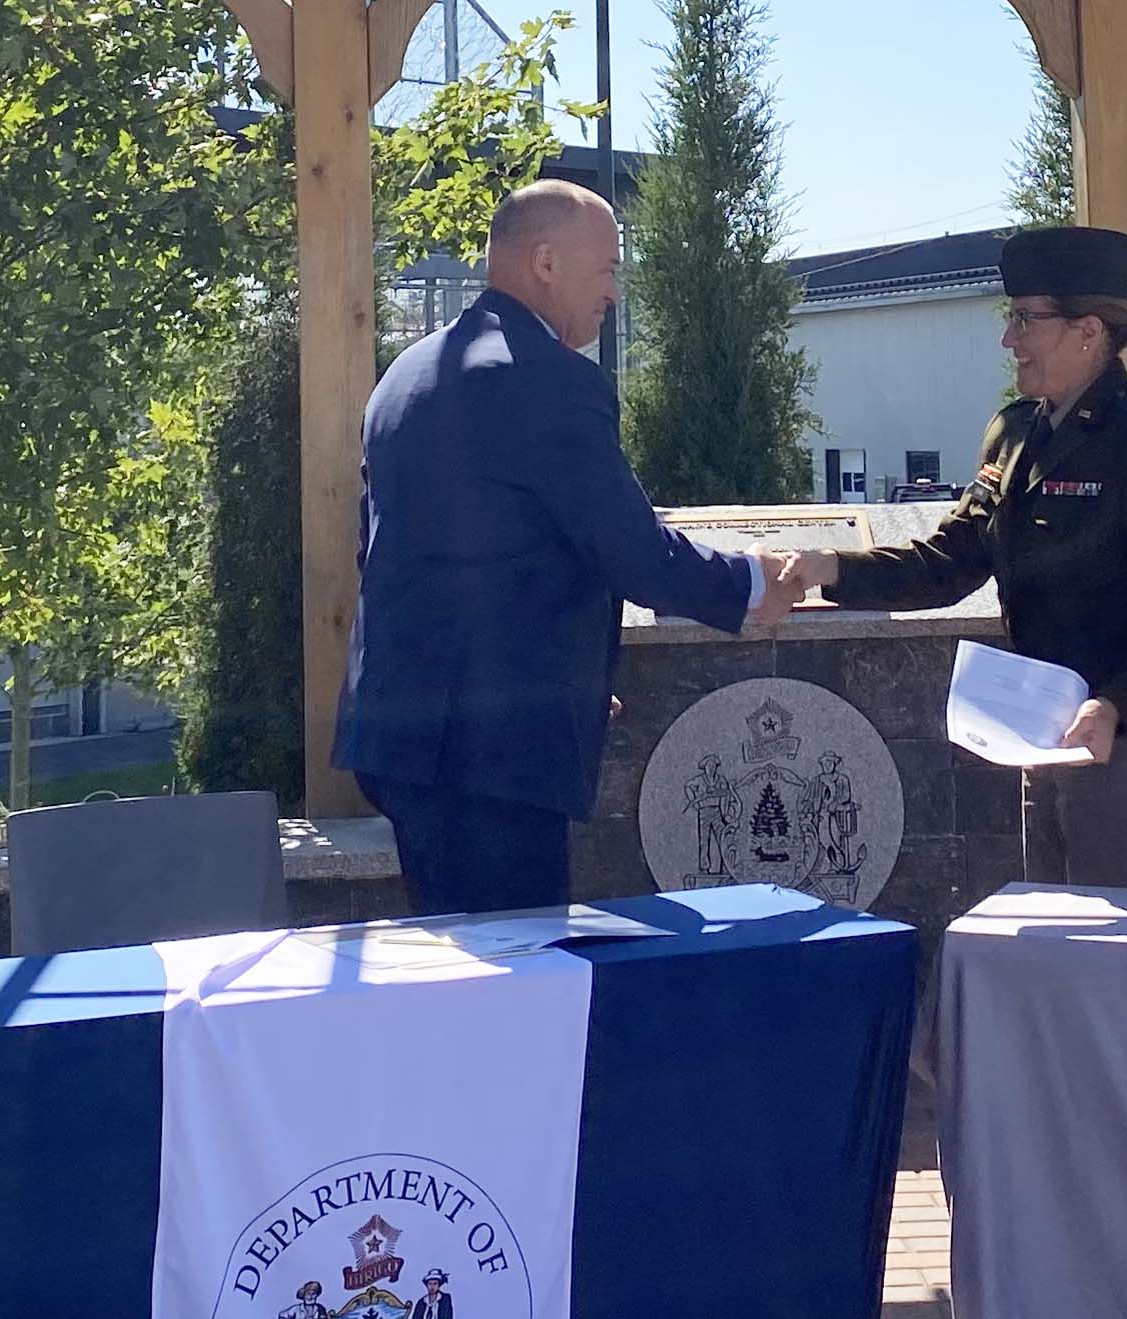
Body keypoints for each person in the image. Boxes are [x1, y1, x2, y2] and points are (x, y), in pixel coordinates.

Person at [334, 181, 802, 913]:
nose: (615, 291)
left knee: (452, 976)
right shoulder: (547, 379)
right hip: (492, 753)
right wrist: (750, 585)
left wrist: (565, 670)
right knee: (515, 989)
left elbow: (403, 551)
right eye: (608, 268)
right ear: (546, 262)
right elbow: (628, 547)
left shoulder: (407, 374)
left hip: (400, 732)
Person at [773, 227, 1127, 890]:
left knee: (1125, 963)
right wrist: (830, 570)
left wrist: (1116, 706)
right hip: (1046, 730)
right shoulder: (1015, 433)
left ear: (1088, 331)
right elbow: (951, 560)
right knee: (1052, 949)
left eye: (1025, 320)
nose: (1011, 339)